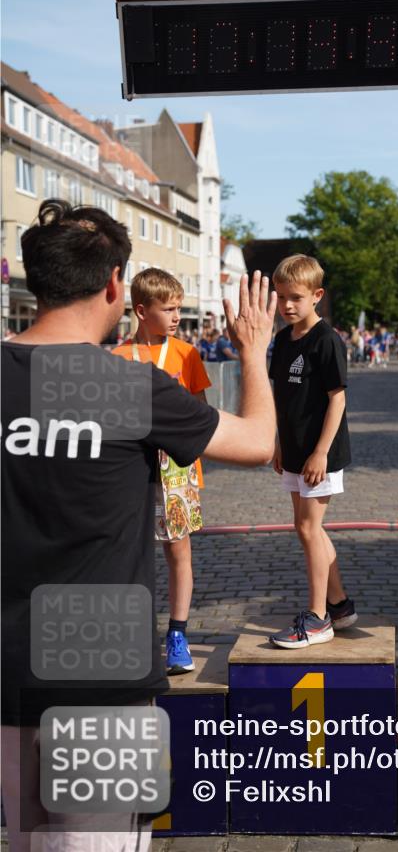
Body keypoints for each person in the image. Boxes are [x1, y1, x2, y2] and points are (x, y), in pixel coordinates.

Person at [1, 199, 276, 852]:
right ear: (115, 285)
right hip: (96, 670)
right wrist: (255, 351)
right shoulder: (120, 386)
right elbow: (260, 441)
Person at [112, 268, 212, 675]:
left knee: (178, 551)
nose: (176, 316)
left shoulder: (187, 354)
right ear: (140, 311)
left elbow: (202, 414)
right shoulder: (118, 357)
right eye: (168, 309)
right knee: (127, 553)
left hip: (177, 473)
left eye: (178, 308)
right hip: (131, 471)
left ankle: (177, 634)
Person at [268, 254, 355, 647]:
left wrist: (320, 452)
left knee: (307, 528)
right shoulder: (282, 339)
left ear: (317, 296)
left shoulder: (327, 340)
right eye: (281, 296)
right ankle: (339, 604)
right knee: (309, 531)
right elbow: (280, 396)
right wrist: (275, 442)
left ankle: (319, 618)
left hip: (321, 453)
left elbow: (337, 399)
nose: (287, 305)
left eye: (296, 297)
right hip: (293, 448)